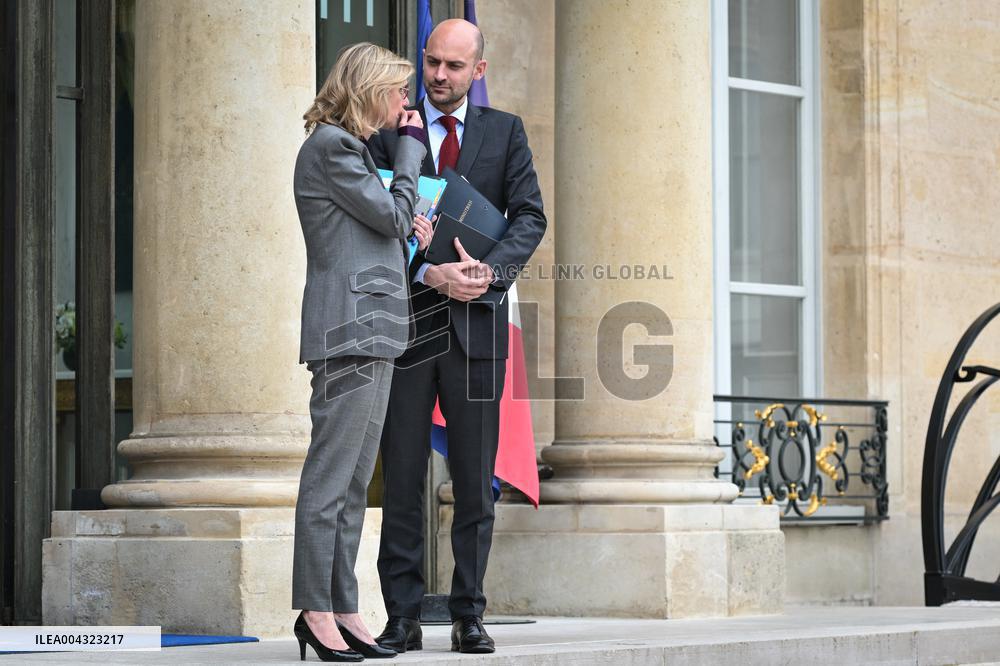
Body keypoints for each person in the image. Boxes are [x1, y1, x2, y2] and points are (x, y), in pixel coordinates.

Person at [368, 19, 546, 655]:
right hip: (408, 328)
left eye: (453, 66)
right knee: (403, 478)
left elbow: (530, 216)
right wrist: (428, 272)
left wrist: (487, 272)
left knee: (474, 483)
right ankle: (402, 617)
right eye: (432, 62)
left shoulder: (506, 131)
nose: (439, 76)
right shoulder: (391, 130)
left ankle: (470, 614)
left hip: (478, 329)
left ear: (479, 70)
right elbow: (375, 224)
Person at [291, 42, 435, 663]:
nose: (405, 104)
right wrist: (411, 153)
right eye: (398, 91)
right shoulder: (333, 147)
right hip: (347, 330)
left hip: (374, 329)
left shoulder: (347, 150)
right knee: (330, 478)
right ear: (371, 89)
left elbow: (385, 228)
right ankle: (313, 609)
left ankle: (344, 607)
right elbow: (390, 217)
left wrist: (408, 223)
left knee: (353, 484)